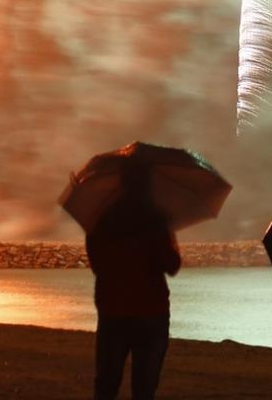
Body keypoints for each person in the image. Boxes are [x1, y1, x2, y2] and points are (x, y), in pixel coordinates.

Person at [86, 169, 181, 400]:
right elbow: (172, 265)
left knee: (106, 385)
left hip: (113, 309)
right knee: (144, 388)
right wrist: (170, 239)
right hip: (151, 312)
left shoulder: (101, 221)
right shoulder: (156, 221)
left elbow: (97, 265)